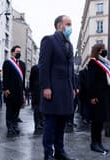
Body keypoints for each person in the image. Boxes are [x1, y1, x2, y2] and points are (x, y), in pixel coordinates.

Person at [39, 15, 75, 160]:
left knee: (61, 123)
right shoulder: (49, 40)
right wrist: (46, 87)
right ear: (60, 25)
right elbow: (44, 65)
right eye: (68, 24)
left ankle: (60, 151)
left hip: (66, 89)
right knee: (51, 123)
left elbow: (70, 68)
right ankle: (48, 153)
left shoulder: (69, 44)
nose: (70, 27)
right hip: (53, 89)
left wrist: (73, 87)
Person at [86, 44, 110, 154]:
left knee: (101, 121)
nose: (105, 51)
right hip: (97, 97)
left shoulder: (104, 63)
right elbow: (90, 81)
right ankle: (94, 143)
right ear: (98, 51)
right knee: (96, 121)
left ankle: (99, 143)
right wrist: (92, 96)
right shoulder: (93, 62)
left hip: (104, 96)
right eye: (103, 50)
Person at [2, 45, 26, 135]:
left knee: (16, 110)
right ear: (12, 52)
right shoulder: (8, 63)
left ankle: (15, 126)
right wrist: (6, 88)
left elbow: (22, 80)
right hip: (10, 91)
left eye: (19, 51)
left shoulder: (23, 64)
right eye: (17, 51)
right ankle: (10, 127)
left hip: (19, 92)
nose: (18, 53)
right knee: (10, 110)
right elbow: (5, 77)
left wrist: (23, 91)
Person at [29, 64, 43, 132]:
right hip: (40, 90)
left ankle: (37, 123)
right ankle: (40, 122)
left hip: (36, 90)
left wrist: (31, 90)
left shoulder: (34, 67)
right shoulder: (45, 66)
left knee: (37, 108)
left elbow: (31, 79)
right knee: (40, 108)